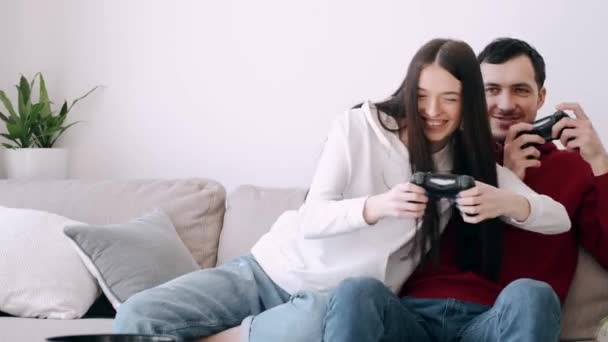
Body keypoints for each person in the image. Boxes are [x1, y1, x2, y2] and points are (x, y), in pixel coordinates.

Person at [112, 38, 570, 342]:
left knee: (321, 322)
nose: (433, 110)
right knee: (138, 317)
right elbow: (312, 217)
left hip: (333, 307)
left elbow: (557, 217)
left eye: (450, 98)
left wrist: (505, 200)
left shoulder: (467, 162)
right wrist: (376, 207)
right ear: (408, 90)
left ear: (466, 101)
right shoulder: (358, 127)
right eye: (423, 95)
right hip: (266, 271)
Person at [322, 38, 608, 342]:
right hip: (411, 317)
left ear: (541, 97)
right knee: (356, 291)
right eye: (492, 90)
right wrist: (501, 174)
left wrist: (600, 163)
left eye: (520, 90)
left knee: (534, 294)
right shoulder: (440, 150)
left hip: (499, 320)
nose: (506, 104)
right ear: (471, 97)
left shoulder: (574, 168)